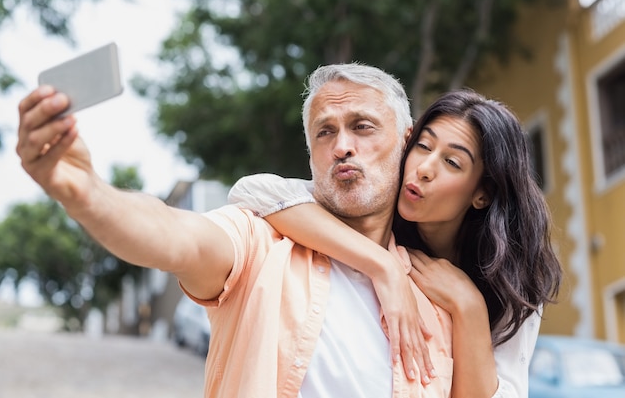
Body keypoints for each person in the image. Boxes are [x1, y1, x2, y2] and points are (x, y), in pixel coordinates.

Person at [16, 63, 454, 397]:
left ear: (407, 141)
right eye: (325, 132)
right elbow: (174, 236)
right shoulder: (259, 242)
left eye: (362, 126)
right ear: (310, 154)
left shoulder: (438, 295)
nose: (342, 146)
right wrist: (88, 193)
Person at [229, 89, 563, 398]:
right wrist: (383, 264)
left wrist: (469, 307)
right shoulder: (376, 215)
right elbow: (256, 191)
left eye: (452, 162)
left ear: (482, 193)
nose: (424, 169)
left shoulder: (513, 281)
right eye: (423, 146)